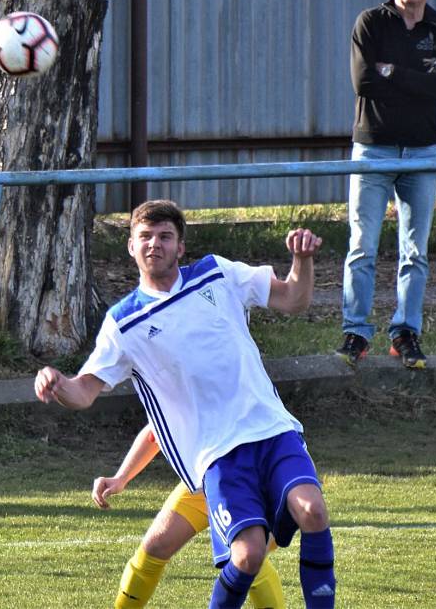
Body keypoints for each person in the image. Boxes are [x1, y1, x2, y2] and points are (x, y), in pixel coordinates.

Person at [35, 200, 336, 609]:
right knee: (244, 556)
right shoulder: (124, 324)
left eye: (164, 236)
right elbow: (85, 391)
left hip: (270, 431)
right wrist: (58, 384)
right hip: (215, 460)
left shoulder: (217, 273)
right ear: (130, 247)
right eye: (145, 236)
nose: (154, 244)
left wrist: (302, 261)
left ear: (180, 247)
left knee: (311, 513)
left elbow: (293, 300)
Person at [337, 0, 436, 369]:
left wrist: (393, 71)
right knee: (361, 246)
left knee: (415, 250)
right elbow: (363, 80)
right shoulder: (370, 23)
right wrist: (417, 75)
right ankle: (355, 332)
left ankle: (406, 332)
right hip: (373, 148)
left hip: (423, 151)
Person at [93, 425, 285, 609]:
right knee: (156, 545)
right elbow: (157, 428)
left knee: (247, 555)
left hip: (254, 474)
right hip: (206, 478)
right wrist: (121, 477)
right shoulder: (175, 394)